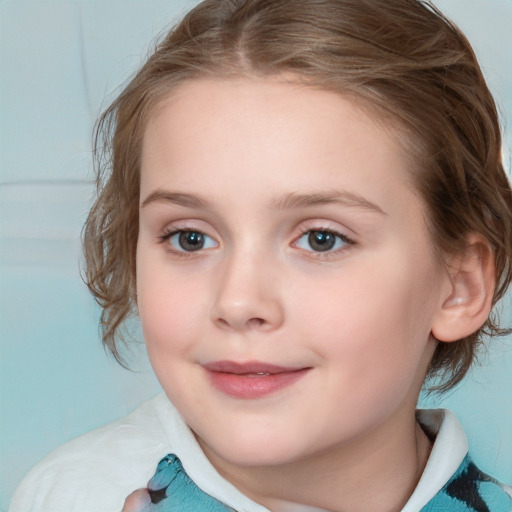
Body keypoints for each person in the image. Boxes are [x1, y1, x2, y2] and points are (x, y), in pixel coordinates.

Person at [9, 0, 512, 511]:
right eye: (190, 238)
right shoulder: (70, 497)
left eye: (321, 238)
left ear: (459, 286)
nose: (237, 300)